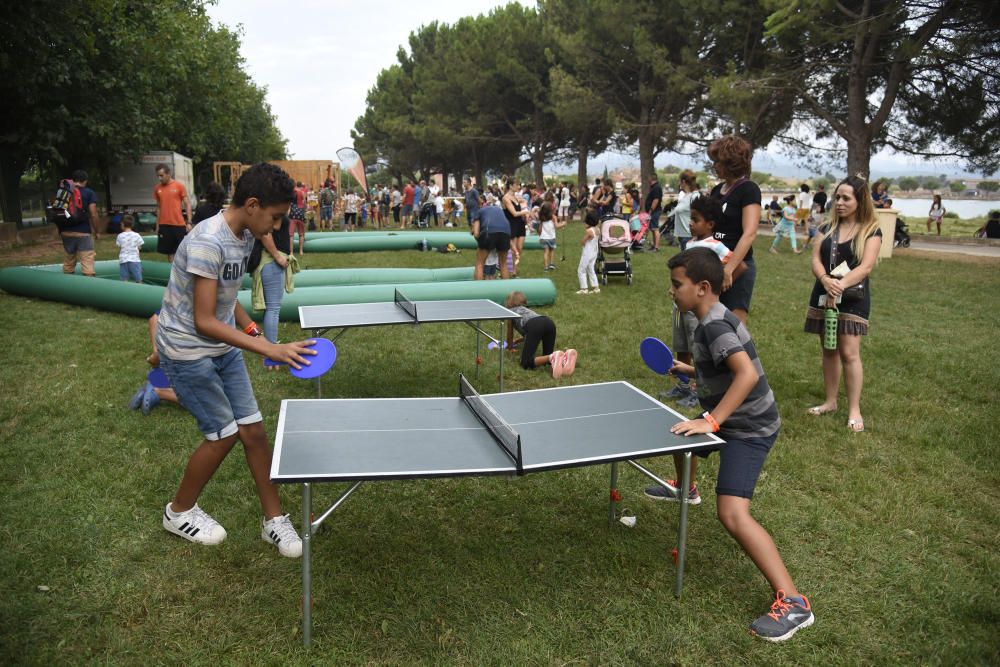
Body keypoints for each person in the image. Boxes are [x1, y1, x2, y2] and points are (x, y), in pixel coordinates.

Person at [645, 247, 814, 642]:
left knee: (733, 515)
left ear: (702, 287)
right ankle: (686, 488)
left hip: (748, 428)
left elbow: (746, 376)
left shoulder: (713, 326)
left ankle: (794, 603)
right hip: (728, 422)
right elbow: (721, 366)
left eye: (677, 284)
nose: (671, 292)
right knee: (679, 434)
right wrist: (687, 368)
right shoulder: (709, 319)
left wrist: (712, 420)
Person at [156, 162, 315, 556]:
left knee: (255, 431)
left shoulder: (245, 234)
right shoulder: (208, 241)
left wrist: (255, 334)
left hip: (222, 348)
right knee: (223, 433)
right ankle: (178, 511)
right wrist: (270, 348)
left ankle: (273, 520)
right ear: (252, 203)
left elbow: (227, 304)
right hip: (187, 351)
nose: (277, 227)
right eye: (275, 217)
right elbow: (205, 320)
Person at [803, 175, 883, 433]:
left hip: (852, 299)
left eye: (846, 198)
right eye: (837, 197)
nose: (839, 202)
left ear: (860, 201)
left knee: (849, 353)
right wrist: (826, 280)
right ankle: (830, 402)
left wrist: (840, 284)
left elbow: (867, 266)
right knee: (829, 349)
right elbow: (815, 259)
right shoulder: (827, 228)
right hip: (825, 294)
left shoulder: (871, 231)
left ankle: (854, 409)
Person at [663, 197, 747, 408]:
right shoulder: (690, 243)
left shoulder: (715, 246)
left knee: (697, 347)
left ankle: (696, 389)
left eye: (695, 219)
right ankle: (683, 384)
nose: (690, 223)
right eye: (690, 218)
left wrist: (721, 286)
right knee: (682, 345)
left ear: (710, 224)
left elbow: (741, 266)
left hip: (697, 310)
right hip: (681, 306)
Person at [707, 135, 762, 324]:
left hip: (738, 268)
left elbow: (750, 233)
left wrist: (729, 270)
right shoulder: (716, 191)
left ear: (731, 162)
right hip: (712, 265)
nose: (714, 166)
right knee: (709, 325)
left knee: (734, 330)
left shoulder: (749, 189)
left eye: (718, 161)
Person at [504, 291, 577, 379]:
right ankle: (565, 358)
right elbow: (530, 335)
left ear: (509, 303)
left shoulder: (510, 313)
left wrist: (510, 347)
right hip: (548, 322)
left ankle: (552, 356)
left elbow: (510, 333)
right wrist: (518, 340)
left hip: (534, 326)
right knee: (547, 360)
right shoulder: (526, 310)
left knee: (525, 363)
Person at [252, 213, 293, 344]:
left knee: (271, 308)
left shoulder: (272, 208)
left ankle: (269, 344)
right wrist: (278, 257)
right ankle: (271, 348)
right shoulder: (272, 209)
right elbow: (265, 233)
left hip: (270, 262)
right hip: (272, 262)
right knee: (273, 308)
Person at [60, 169, 101, 276]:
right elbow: (93, 213)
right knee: (87, 262)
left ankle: (67, 287)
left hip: (65, 232)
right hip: (83, 232)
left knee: (69, 262)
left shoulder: (65, 192)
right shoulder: (89, 193)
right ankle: (89, 289)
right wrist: (97, 231)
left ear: (73, 180)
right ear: (85, 181)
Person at [154, 164, 191, 263]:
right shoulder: (157, 188)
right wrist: (157, 225)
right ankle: (173, 275)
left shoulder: (179, 186)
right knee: (170, 253)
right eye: (158, 176)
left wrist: (189, 222)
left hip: (178, 225)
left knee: (182, 252)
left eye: (161, 175)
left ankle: (183, 274)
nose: (159, 178)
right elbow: (159, 208)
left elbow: (187, 204)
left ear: (168, 174)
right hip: (164, 225)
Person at [471, 195, 512, 281]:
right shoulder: (498, 209)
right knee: (503, 264)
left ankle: (478, 291)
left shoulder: (479, 211)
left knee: (480, 263)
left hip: (489, 231)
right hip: (506, 232)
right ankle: (508, 291)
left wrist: (481, 244)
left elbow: (476, 233)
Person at [501, 178, 530, 273]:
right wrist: (526, 211)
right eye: (517, 185)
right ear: (510, 186)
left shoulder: (517, 196)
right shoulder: (506, 198)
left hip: (520, 224)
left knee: (519, 248)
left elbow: (524, 203)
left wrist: (525, 207)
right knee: (514, 250)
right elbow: (514, 213)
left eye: (519, 185)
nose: (519, 187)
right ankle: (512, 270)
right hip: (511, 224)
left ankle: (514, 268)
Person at [673, 170, 700, 251]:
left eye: (679, 181)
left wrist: (695, 236)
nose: (679, 183)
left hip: (689, 236)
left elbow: (699, 217)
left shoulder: (695, 196)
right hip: (683, 236)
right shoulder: (686, 195)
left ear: (683, 181)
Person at [576, 210, 601, 295]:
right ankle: (595, 287)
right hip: (594, 252)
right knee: (591, 268)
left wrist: (583, 239)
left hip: (587, 252)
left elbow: (583, 241)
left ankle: (584, 288)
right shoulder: (597, 229)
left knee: (581, 270)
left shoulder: (589, 231)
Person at [116, 215, 144, 282]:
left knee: (124, 279)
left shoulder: (120, 236)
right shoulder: (137, 235)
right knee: (138, 279)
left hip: (123, 260)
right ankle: (141, 290)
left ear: (122, 224)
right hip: (134, 260)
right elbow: (140, 246)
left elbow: (119, 246)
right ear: (132, 224)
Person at [538, 201, 564, 271]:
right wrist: (563, 224)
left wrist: (540, 235)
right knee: (552, 251)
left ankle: (546, 267)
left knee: (545, 252)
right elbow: (557, 226)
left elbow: (540, 229)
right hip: (551, 237)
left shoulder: (542, 218)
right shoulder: (553, 217)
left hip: (543, 238)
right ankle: (551, 264)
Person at [644, 173, 663, 252]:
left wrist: (651, 210)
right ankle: (654, 245)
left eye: (648, 178)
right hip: (653, 211)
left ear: (651, 179)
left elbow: (656, 200)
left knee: (655, 229)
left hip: (655, 211)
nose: (647, 180)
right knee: (653, 229)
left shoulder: (656, 188)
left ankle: (656, 247)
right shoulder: (654, 187)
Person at [289, 181, 307, 253]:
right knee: (301, 234)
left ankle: (291, 252)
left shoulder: (291, 193)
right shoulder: (302, 192)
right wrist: (304, 210)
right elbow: (304, 203)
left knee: (291, 235)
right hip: (300, 214)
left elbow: (289, 204)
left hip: (293, 214)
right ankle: (301, 251)